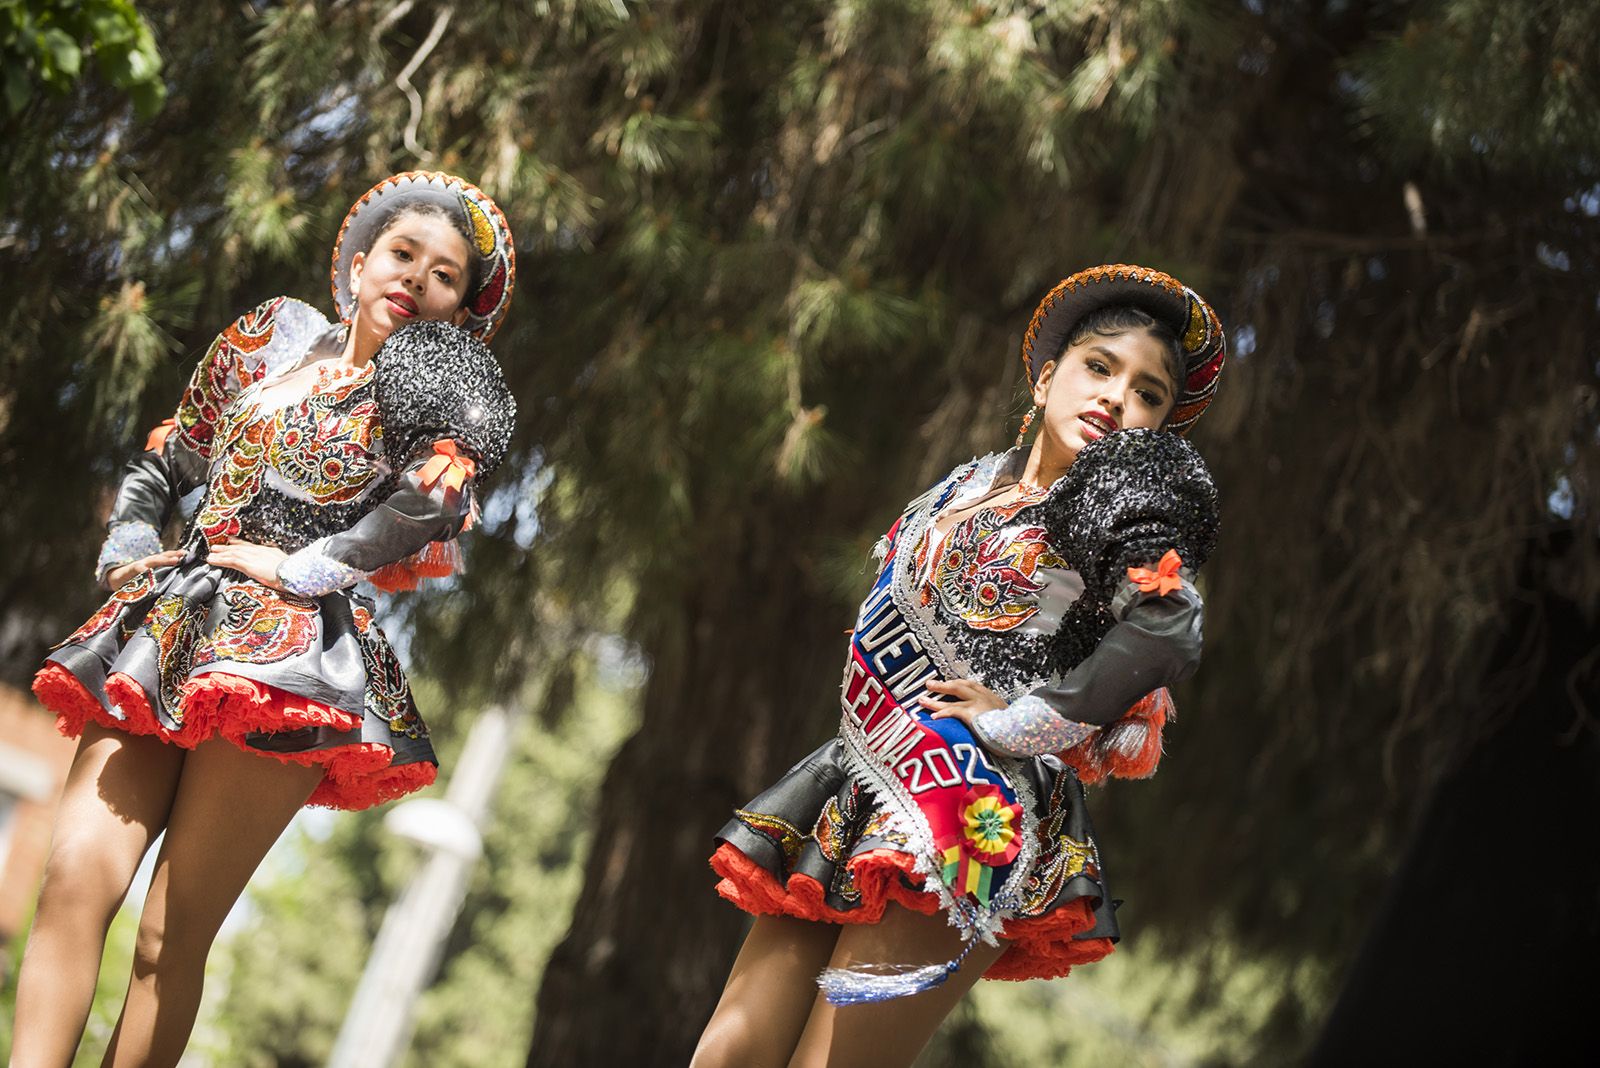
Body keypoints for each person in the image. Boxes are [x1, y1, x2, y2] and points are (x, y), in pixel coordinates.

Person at [12, 171, 517, 1068]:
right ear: (360, 263)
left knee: (170, 940)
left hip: (291, 665)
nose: (415, 280)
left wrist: (302, 565)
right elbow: (176, 452)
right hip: (168, 627)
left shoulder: (442, 395)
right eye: (402, 256)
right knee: (74, 874)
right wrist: (131, 534)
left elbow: (435, 504)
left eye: (444, 276)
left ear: (460, 306)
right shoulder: (268, 337)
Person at [693, 264, 1226, 1067]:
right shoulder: (975, 479)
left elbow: (1171, 626)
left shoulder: (1123, 516)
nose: (1118, 398)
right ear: (1048, 378)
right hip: (859, 788)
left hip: (966, 816)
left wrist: (1021, 721)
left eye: (1149, 394)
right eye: (1100, 367)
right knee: (727, 1056)